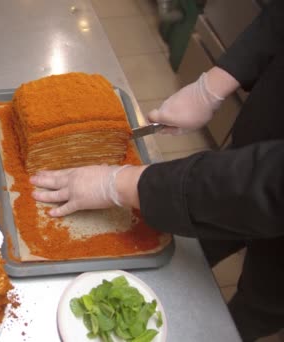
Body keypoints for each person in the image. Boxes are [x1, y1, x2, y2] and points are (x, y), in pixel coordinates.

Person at [29, 2, 284, 341]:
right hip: (244, 161)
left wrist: (116, 183)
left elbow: (269, 182)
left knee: (254, 308)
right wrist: (213, 85)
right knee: (183, 251)